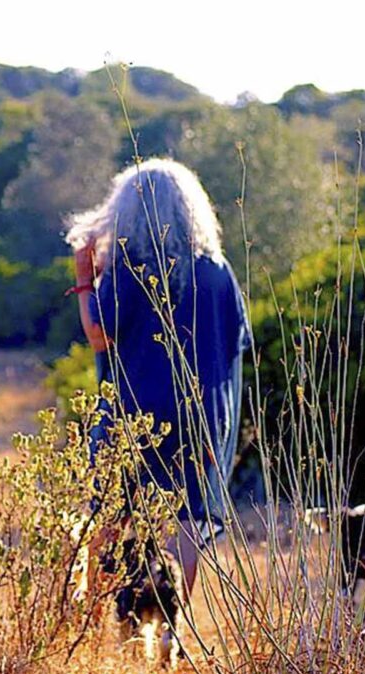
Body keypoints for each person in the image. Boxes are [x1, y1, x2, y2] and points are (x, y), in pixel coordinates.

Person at [67, 158, 251, 589]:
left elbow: (98, 335)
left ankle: (100, 621)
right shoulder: (217, 271)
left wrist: (82, 280)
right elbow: (234, 344)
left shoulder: (129, 269)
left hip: (134, 410)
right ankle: (173, 624)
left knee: (113, 508)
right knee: (188, 515)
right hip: (201, 415)